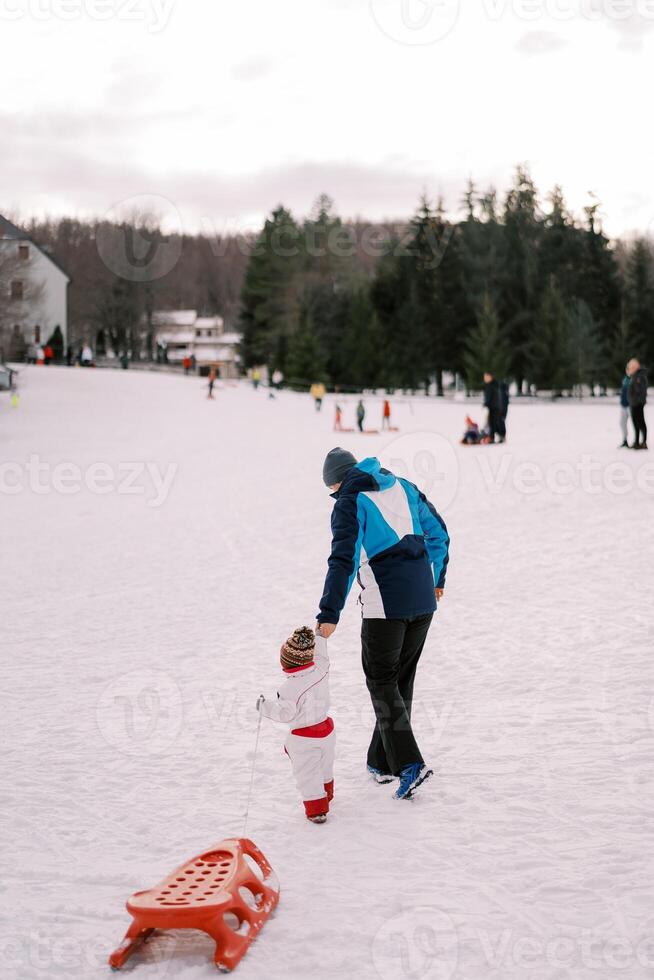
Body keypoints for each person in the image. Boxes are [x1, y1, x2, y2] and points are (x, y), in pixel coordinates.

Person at [316, 449, 450, 801]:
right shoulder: (404, 486)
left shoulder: (349, 501)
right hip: (423, 600)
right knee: (398, 680)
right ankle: (381, 761)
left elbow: (343, 560)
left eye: (332, 488)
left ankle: (409, 765)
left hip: (386, 604)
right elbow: (440, 534)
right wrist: (439, 578)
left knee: (381, 680)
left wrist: (329, 613)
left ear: (338, 481)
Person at [257, 627, 335, 824]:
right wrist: (318, 638)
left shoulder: (289, 689)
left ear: (287, 664)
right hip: (326, 730)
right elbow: (322, 656)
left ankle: (317, 809)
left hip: (304, 737)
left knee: (307, 772)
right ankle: (327, 793)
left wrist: (264, 707)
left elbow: (285, 714)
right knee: (325, 765)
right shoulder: (320, 670)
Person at [627, 358, 648, 450]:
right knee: (636, 423)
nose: (629, 369)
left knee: (640, 422)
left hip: (638, 404)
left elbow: (642, 391)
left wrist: (639, 401)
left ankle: (643, 442)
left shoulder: (640, 376)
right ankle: (637, 441)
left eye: (631, 367)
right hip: (634, 403)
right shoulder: (634, 376)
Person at [483, 372, 504, 443]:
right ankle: (492, 437)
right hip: (494, 407)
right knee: (492, 423)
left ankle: (497, 436)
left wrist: (486, 403)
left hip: (494, 407)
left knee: (495, 422)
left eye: (486, 377)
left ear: (490, 377)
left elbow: (491, 397)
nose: (485, 378)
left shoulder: (492, 385)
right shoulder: (492, 385)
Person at [619, 369, 631, 448]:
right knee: (622, 423)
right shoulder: (625, 379)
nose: (628, 370)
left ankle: (639, 441)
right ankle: (625, 440)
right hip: (624, 405)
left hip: (631, 405)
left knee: (636, 424)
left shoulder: (635, 379)